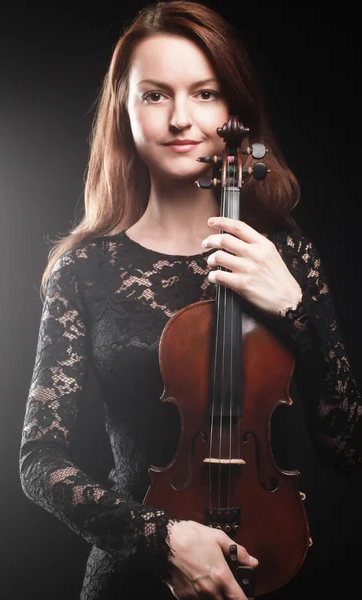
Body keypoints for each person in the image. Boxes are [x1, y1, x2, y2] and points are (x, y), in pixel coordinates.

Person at [18, 2, 362, 599]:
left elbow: (349, 449)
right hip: (134, 575)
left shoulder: (286, 254)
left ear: (233, 112)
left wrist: (293, 309)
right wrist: (162, 536)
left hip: (275, 560)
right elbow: (39, 459)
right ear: (123, 112)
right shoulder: (84, 269)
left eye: (204, 93)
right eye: (154, 95)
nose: (181, 119)